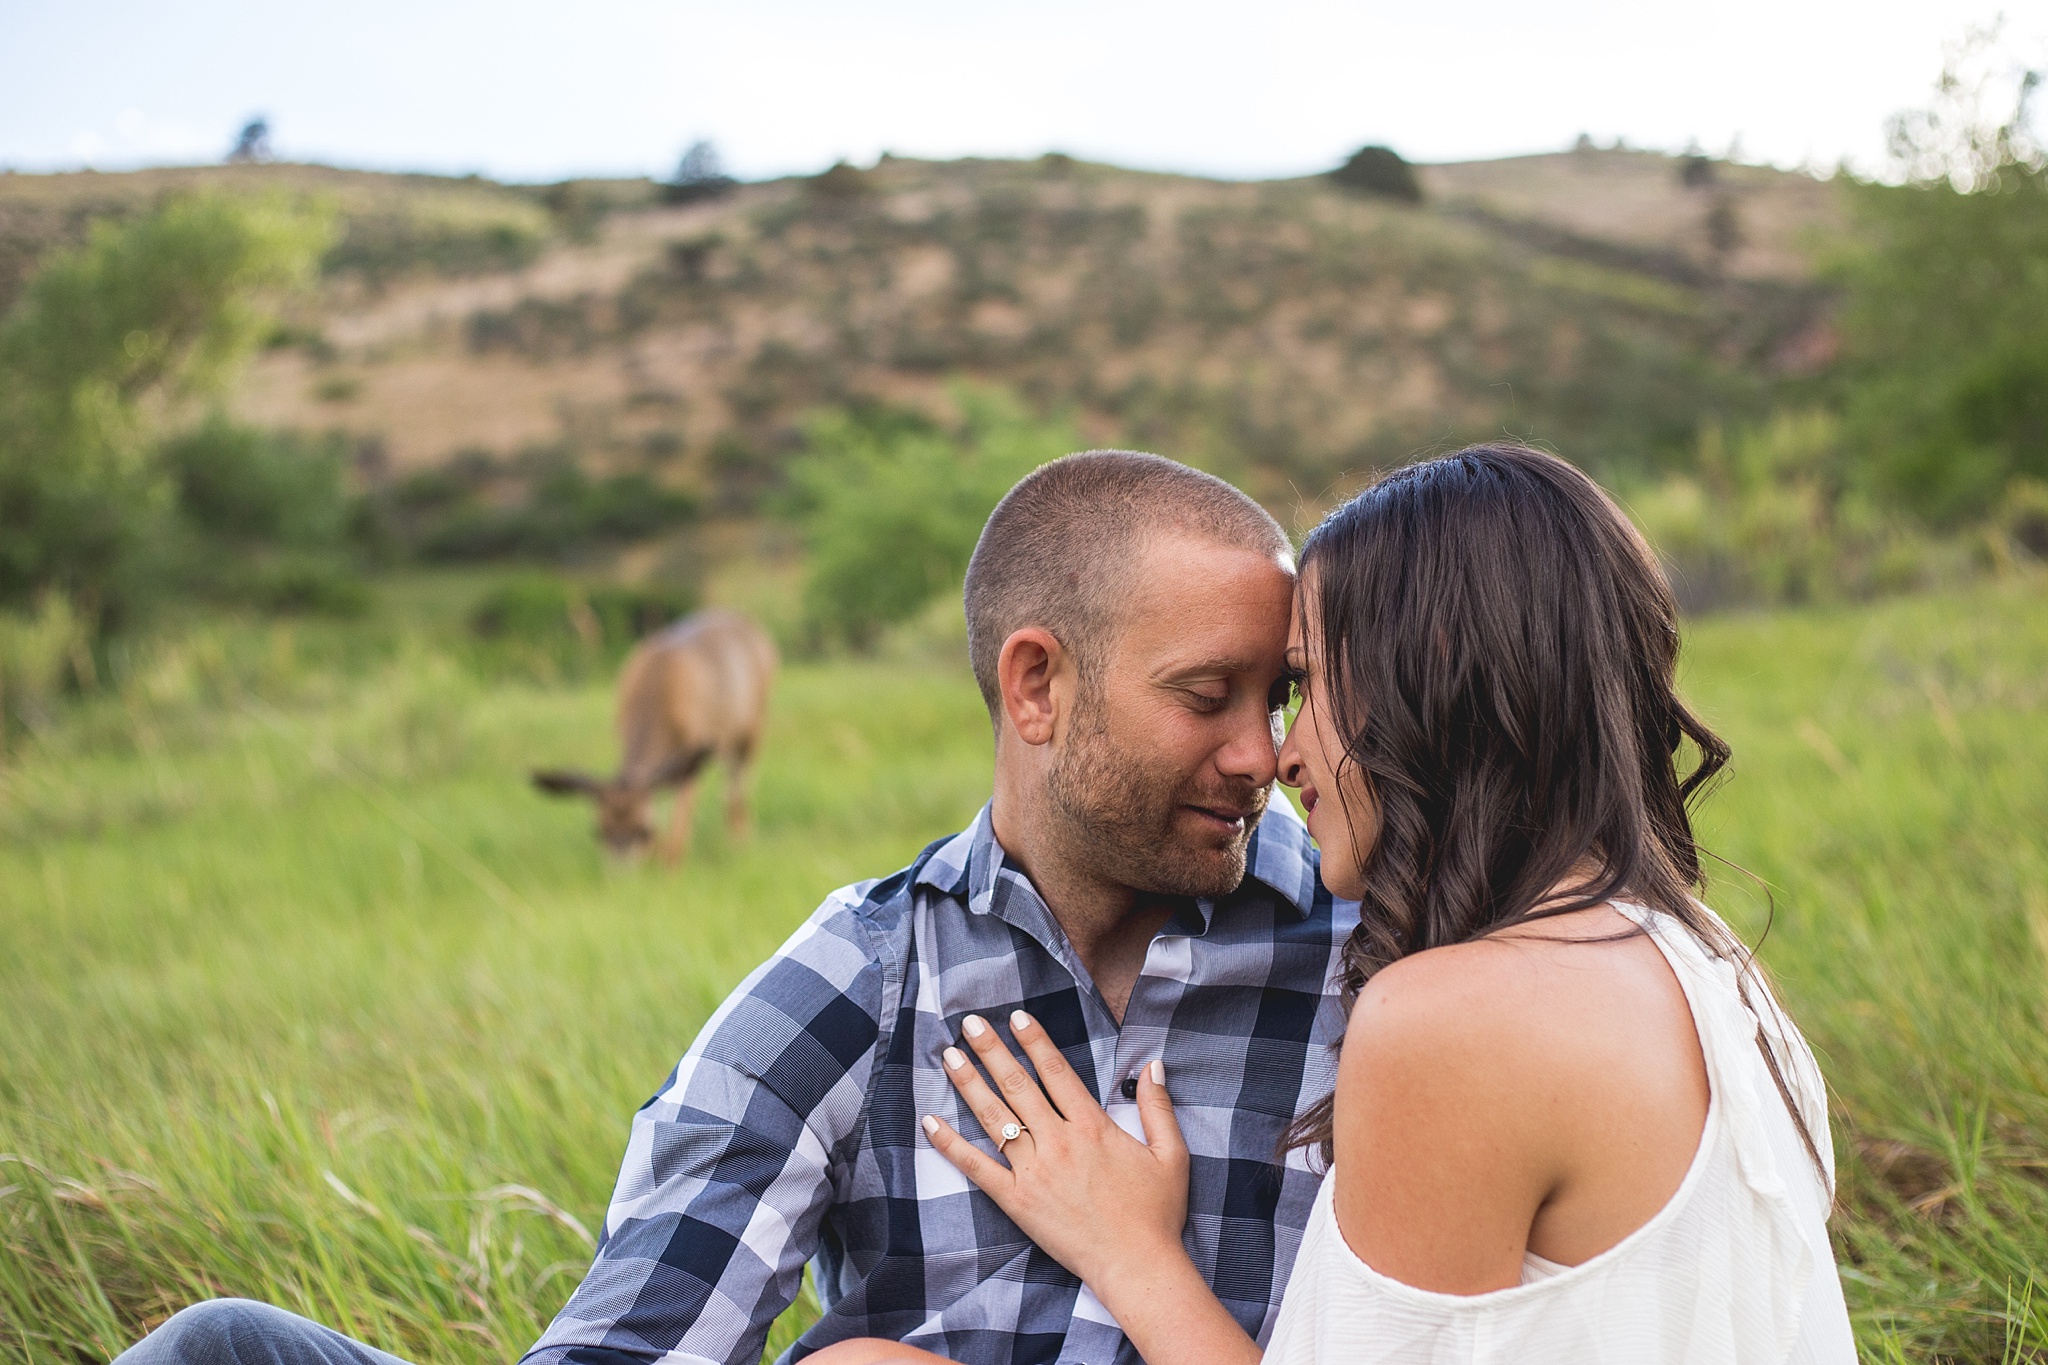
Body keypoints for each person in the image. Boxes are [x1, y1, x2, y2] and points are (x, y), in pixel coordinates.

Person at [115, 450, 1358, 1365]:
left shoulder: (1369, 964)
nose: (1261, 754)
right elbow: (640, 1340)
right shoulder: (858, 978)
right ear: (1034, 685)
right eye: (1207, 697)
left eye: (1279, 700)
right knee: (220, 1346)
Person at [823, 444, 1856, 1364]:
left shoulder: (1453, 1020)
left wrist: (1128, 1253)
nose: (1280, 753)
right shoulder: (1704, 961)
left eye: (1305, 685)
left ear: (1430, 682)